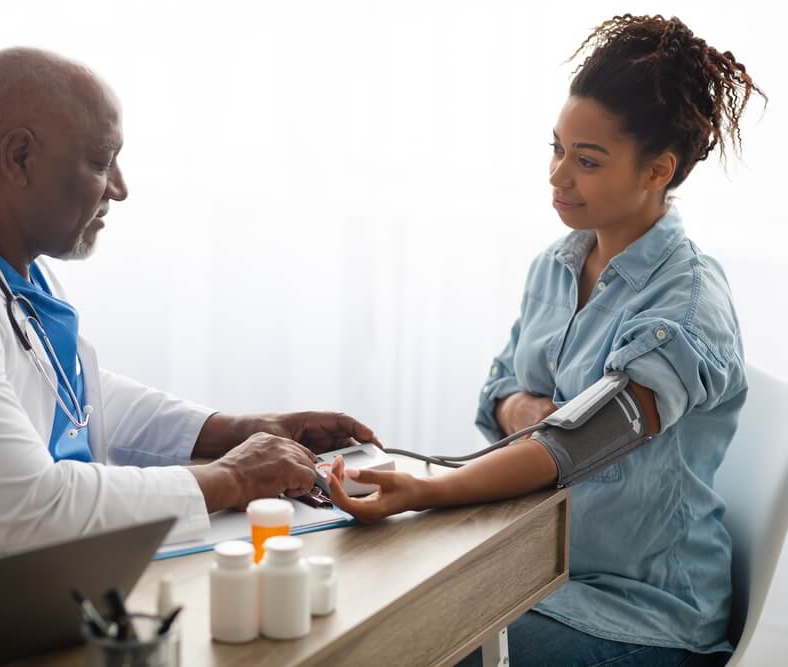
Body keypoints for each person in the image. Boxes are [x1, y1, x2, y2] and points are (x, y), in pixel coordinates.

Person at [0, 47, 378, 622]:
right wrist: (234, 477)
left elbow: (70, 396)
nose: (118, 187)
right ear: (19, 157)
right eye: (101, 161)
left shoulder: (0, 250)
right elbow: (32, 505)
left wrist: (232, 431)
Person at [326, 15, 764, 666]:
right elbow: (498, 393)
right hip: (534, 568)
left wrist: (433, 488)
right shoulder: (555, 266)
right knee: (362, 609)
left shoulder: (689, 301)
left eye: (587, 161)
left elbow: (583, 440)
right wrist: (531, 415)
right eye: (556, 148)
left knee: (404, 648)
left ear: (657, 170)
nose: (559, 177)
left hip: (641, 615)